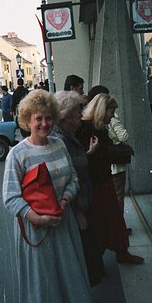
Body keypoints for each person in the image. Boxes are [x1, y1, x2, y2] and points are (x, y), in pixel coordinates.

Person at [2, 89, 111, 303]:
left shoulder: (59, 145)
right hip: (36, 230)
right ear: (28, 120)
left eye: (48, 117)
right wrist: (36, 218)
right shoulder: (17, 154)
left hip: (63, 222)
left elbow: (73, 179)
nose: (44, 123)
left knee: (71, 272)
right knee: (44, 280)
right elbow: (10, 197)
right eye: (38, 118)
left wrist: (64, 201)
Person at [77, 93, 144, 264]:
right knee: (106, 220)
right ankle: (114, 255)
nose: (113, 116)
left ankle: (119, 253)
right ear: (102, 110)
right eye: (111, 112)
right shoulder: (85, 129)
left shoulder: (96, 127)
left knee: (111, 219)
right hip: (95, 184)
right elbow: (80, 160)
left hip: (102, 180)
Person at [53, 91, 105, 287]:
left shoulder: (67, 135)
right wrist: (78, 212)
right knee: (85, 257)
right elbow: (65, 180)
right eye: (77, 113)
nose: (80, 117)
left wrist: (88, 154)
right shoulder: (61, 139)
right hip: (77, 209)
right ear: (65, 117)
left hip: (81, 205)